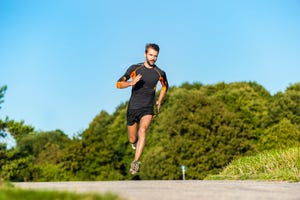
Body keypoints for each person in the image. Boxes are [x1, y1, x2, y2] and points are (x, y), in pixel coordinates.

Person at [116, 43, 169, 174]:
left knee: (143, 130)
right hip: (133, 108)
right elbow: (118, 84)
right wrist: (130, 83)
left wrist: (160, 101)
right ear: (145, 54)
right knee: (132, 139)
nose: (153, 58)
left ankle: (135, 163)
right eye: (151, 55)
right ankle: (135, 142)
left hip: (148, 107)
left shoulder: (160, 73)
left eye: (155, 56)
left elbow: (164, 87)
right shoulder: (135, 68)